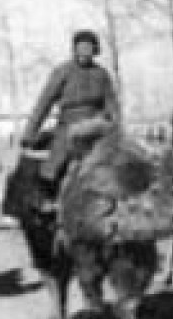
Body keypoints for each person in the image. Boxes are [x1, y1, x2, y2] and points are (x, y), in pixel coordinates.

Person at [20, 30, 121, 195]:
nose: (84, 52)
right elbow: (44, 103)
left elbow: (112, 104)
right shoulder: (63, 71)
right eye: (81, 48)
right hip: (68, 125)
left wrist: (116, 128)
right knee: (55, 163)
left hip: (96, 125)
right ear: (75, 50)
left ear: (95, 50)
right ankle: (49, 195)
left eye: (88, 48)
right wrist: (29, 133)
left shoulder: (102, 74)